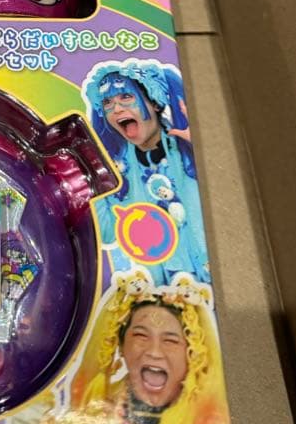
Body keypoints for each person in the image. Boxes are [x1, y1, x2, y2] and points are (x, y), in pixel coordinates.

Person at [58, 274, 236, 424]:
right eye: (141, 336)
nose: (154, 352)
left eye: (171, 340)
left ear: (192, 352)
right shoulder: (95, 413)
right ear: (121, 345)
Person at [83, 60, 210, 284]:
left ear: (155, 102)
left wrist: (205, 146)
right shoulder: (116, 170)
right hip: (160, 287)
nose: (117, 109)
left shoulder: (189, 151)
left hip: (213, 275)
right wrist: (90, 181)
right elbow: (108, 233)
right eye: (107, 102)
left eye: (126, 97)